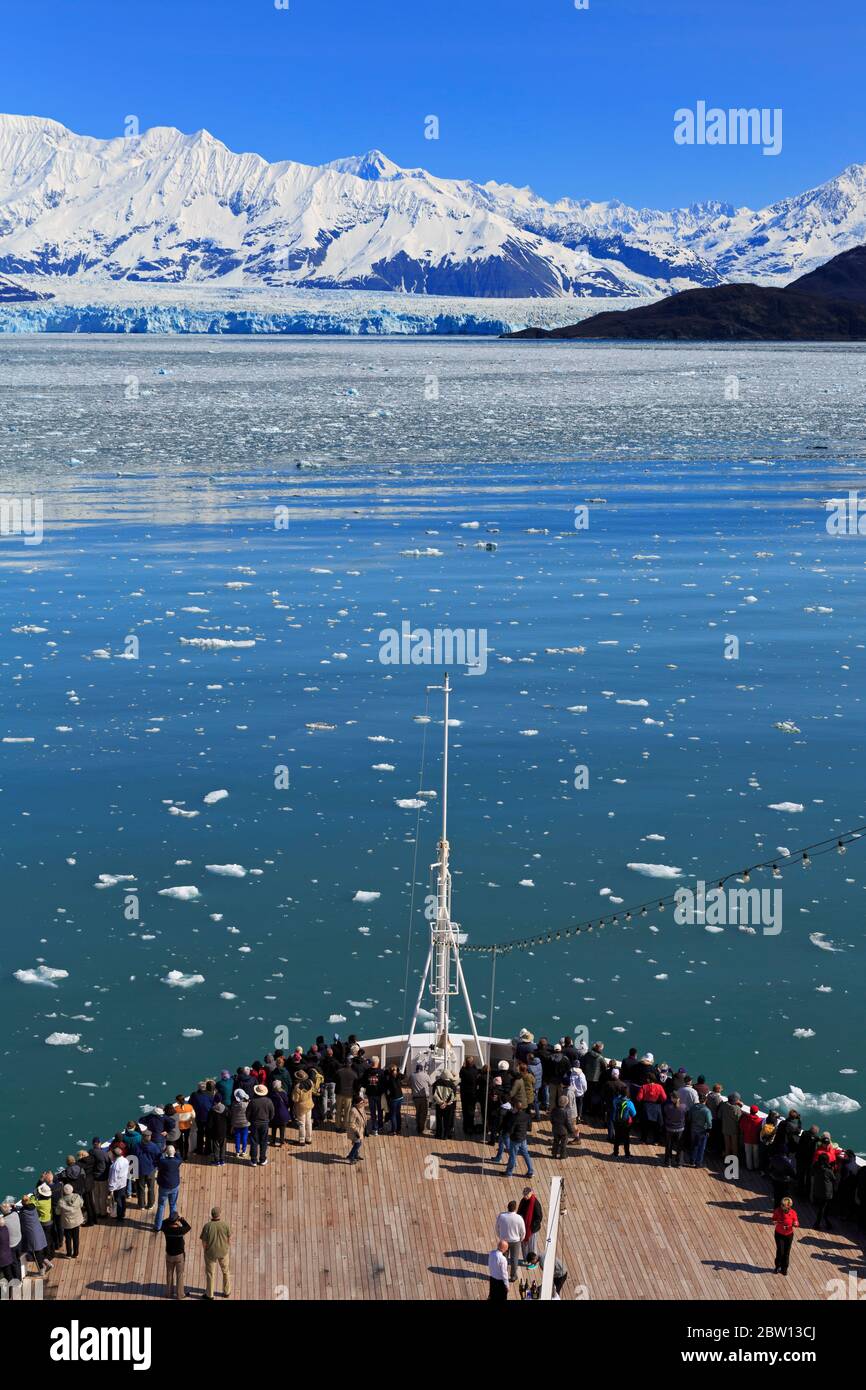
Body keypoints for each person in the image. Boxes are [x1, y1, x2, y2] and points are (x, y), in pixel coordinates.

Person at [200, 1206, 231, 1300]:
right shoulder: (225, 1225)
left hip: (211, 1253)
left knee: (210, 1274)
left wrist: (206, 1250)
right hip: (223, 1252)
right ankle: (227, 1292)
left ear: (212, 1215)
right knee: (225, 1272)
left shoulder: (207, 1226)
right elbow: (229, 1239)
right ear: (219, 1215)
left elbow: (204, 1242)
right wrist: (226, 1247)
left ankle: (210, 1295)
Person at [16, 1197, 52, 1274]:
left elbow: (19, 1217)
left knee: (36, 1254)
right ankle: (47, 1263)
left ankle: (42, 1270)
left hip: (32, 1236)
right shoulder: (33, 1207)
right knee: (39, 1251)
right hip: (39, 1232)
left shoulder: (23, 1213)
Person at [162, 1213, 191, 1299]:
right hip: (179, 1256)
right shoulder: (180, 1230)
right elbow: (188, 1227)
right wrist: (181, 1219)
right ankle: (180, 1295)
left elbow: (163, 1222)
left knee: (169, 1274)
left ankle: (168, 1293)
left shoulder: (165, 1229)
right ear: (176, 1221)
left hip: (169, 1255)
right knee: (179, 1275)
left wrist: (170, 1219)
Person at [495, 1201, 525, 1282]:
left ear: (507, 1207)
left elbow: (497, 1228)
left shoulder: (501, 1216)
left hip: (504, 1241)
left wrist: (500, 1237)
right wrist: (520, 1239)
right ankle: (513, 1276)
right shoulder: (519, 1218)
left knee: (503, 1259)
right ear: (515, 1208)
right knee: (514, 1259)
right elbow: (523, 1231)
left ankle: (502, 1275)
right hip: (515, 1241)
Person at [154, 1145, 183, 1232]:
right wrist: (176, 1153)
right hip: (174, 1185)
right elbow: (180, 1158)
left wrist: (162, 1152)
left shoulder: (163, 1162)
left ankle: (158, 1226)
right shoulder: (177, 1161)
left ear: (166, 1153)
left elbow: (158, 1158)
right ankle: (172, 1222)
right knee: (173, 1204)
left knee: (161, 1206)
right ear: (173, 1153)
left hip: (164, 1187)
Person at [247, 1084, 275, 1165]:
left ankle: (253, 1160)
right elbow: (272, 1114)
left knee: (254, 1142)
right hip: (265, 1123)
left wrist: (251, 1121)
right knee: (264, 1141)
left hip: (254, 1123)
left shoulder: (252, 1102)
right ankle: (262, 1159)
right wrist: (268, 1120)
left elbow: (247, 1114)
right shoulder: (269, 1101)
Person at [504, 1102, 533, 1178]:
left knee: (513, 1156)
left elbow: (511, 1130)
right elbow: (529, 1127)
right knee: (526, 1154)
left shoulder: (514, 1118)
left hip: (515, 1139)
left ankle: (509, 1172)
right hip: (523, 1138)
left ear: (516, 1108)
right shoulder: (527, 1116)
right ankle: (530, 1171)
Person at [772, 1196, 799, 1276]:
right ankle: (777, 1266)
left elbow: (797, 1222)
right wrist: (774, 1221)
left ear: (789, 1206)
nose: (782, 1206)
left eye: (784, 1205)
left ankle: (784, 1268)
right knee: (780, 1251)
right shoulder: (777, 1211)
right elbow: (773, 1219)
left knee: (787, 1252)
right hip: (779, 1234)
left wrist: (795, 1224)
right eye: (781, 1204)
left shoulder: (793, 1213)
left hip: (789, 1235)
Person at [811, 1153, 837, 1231]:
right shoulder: (827, 1171)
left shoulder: (815, 1167)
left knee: (822, 1208)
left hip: (817, 1191)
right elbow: (834, 1179)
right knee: (823, 1209)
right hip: (826, 1193)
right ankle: (818, 1223)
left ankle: (825, 1222)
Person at [57, 1183, 84, 1258]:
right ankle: (76, 1253)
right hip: (76, 1222)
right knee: (76, 1238)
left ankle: (69, 1254)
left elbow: (57, 1212)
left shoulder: (61, 1201)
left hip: (67, 1223)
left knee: (68, 1239)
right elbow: (81, 1204)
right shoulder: (77, 1197)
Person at [517, 1186, 543, 1260]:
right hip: (523, 1226)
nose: (525, 1196)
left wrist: (532, 1227)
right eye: (524, 1195)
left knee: (532, 1246)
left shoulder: (535, 1203)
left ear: (531, 1193)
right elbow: (519, 1211)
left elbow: (539, 1217)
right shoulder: (523, 1201)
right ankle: (526, 1259)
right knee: (524, 1245)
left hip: (532, 1229)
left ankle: (533, 1261)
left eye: (527, 1195)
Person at [137, 1130, 161, 1209]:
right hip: (150, 1170)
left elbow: (133, 1157)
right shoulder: (154, 1147)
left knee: (141, 1188)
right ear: (149, 1137)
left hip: (140, 1170)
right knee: (151, 1188)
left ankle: (141, 1205)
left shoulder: (137, 1146)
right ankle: (150, 1205)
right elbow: (158, 1158)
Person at [612, 1085, 636, 1159]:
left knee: (617, 1137)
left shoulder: (615, 1100)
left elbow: (614, 1107)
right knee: (626, 1138)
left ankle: (615, 1153)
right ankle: (627, 1154)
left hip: (616, 1121)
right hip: (626, 1123)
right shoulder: (629, 1103)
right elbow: (634, 1113)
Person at [688, 1097, 713, 1168]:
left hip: (693, 1129)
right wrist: (708, 1130)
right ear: (705, 1100)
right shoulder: (706, 1111)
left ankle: (692, 1160)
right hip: (702, 1131)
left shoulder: (693, 1107)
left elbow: (689, 1117)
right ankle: (698, 1163)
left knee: (694, 1145)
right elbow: (709, 1123)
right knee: (701, 1147)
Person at [663, 1092, 686, 1167]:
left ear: (673, 1098)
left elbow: (665, 1114)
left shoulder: (667, 1107)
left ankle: (668, 1162)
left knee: (669, 1146)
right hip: (680, 1129)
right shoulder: (683, 1106)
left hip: (669, 1129)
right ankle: (679, 1163)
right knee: (680, 1146)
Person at [292, 1070, 315, 1146]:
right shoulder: (311, 1082)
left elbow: (295, 1099)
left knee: (301, 1123)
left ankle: (302, 1140)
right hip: (309, 1104)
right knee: (309, 1122)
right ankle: (309, 1139)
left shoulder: (298, 1087)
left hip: (301, 1107)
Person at [191, 1081, 214, 1157]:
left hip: (199, 1117)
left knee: (200, 1133)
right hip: (208, 1117)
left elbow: (191, 1103)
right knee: (208, 1134)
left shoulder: (194, 1094)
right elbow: (213, 1104)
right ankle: (208, 1151)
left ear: (198, 1087)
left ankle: (199, 1150)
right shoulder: (210, 1094)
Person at [433, 1070, 458, 1139]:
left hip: (439, 1105)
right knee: (447, 1121)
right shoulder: (452, 1085)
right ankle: (445, 1135)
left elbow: (434, 1095)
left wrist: (441, 1102)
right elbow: (452, 1096)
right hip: (448, 1106)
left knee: (439, 1120)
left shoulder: (436, 1083)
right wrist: (446, 1103)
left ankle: (438, 1134)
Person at [382, 1063, 406, 1135]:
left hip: (394, 1098)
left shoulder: (389, 1078)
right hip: (400, 1097)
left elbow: (385, 1086)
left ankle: (394, 1130)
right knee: (398, 1113)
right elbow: (403, 1076)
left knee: (393, 1115)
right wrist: (397, 1071)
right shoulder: (398, 1076)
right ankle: (398, 1129)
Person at [335, 1059, 357, 1133]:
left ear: (344, 1063)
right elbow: (356, 1083)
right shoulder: (353, 1073)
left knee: (338, 1110)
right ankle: (345, 1127)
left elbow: (335, 1080)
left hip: (339, 1093)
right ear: (350, 1064)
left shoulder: (339, 1072)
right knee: (347, 1111)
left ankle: (337, 1126)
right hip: (349, 1094)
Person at [550, 1094, 575, 1159]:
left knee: (555, 1142)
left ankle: (554, 1154)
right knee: (563, 1144)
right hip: (564, 1130)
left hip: (555, 1129)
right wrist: (571, 1130)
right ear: (566, 1103)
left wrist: (554, 1124)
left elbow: (551, 1119)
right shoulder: (567, 1111)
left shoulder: (554, 1110)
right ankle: (562, 1155)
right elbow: (568, 1123)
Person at [108, 1147, 130, 1222]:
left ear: (114, 1155)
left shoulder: (115, 1166)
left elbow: (113, 1178)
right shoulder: (125, 1160)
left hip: (117, 1186)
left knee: (118, 1201)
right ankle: (123, 1213)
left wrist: (111, 1189)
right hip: (123, 1183)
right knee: (123, 1199)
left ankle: (120, 1217)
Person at [90, 1139, 110, 1220]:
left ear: (93, 1144)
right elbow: (108, 1164)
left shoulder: (90, 1152)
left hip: (94, 1178)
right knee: (103, 1196)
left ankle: (97, 1212)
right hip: (103, 1177)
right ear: (100, 1144)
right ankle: (103, 1213)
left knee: (96, 1195)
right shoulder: (103, 1153)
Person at [365, 1056, 385, 1135]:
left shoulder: (367, 1072)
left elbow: (364, 1082)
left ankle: (374, 1129)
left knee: (373, 1112)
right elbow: (384, 1083)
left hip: (370, 1094)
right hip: (379, 1094)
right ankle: (380, 1126)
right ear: (378, 1063)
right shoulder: (381, 1072)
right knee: (380, 1111)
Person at [719, 1093, 743, 1160]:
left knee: (727, 1145)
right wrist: (740, 1107)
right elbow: (739, 1120)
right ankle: (734, 1159)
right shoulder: (737, 1109)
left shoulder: (723, 1105)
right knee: (734, 1146)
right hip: (734, 1130)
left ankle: (727, 1158)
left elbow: (719, 1115)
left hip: (725, 1127)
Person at [410, 1063, 432, 1136]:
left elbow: (408, 1083)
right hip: (424, 1097)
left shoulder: (412, 1075)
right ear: (422, 1069)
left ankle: (418, 1126)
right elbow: (430, 1084)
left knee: (418, 1112)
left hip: (415, 1098)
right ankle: (421, 1129)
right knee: (424, 1114)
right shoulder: (426, 1075)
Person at [347, 1090, 368, 1165]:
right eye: (361, 1103)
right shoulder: (353, 1111)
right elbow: (351, 1123)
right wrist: (356, 1132)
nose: (362, 1103)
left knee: (360, 1143)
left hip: (361, 1129)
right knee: (357, 1144)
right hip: (356, 1131)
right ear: (356, 1104)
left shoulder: (361, 1107)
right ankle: (351, 1157)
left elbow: (364, 1114)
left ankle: (355, 1155)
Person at [207, 1098, 229, 1166]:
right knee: (223, 1146)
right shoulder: (226, 1109)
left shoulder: (212, 1110)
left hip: (215, 1131)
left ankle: (216, 1161)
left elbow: (210, 1123)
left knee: (216, 1146)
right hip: (223, 1131)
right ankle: (222, 1160)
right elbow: (229, 1118)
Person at [270, 1080, 290, 1148]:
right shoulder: (283, 1093)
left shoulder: (271, 1094)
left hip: (274, 1114)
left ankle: (273, 1141)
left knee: (274, 1128)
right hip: (282, 1113)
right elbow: (287, 1102)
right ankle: (282, 1142)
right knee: (282, 1128)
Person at [230, 1088, 250, 1158]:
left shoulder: (234, 1104)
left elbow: (232, 1113)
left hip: (236, 1123)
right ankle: (244, 1151)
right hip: (245, 1123)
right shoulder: (247, 1104)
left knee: (237, 1137)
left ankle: (237, 1152)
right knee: (244, 1137)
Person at [175, 1094, 195, 1159]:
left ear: (178, 1101)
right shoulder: (189, 1107)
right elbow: (193, 1116)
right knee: (186, 1141)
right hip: (187, 1126)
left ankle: (181, 1155)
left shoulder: (175, 1109)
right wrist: (190, 1121)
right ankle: (186, 1156)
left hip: (179, 1127)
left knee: (180, 1142)